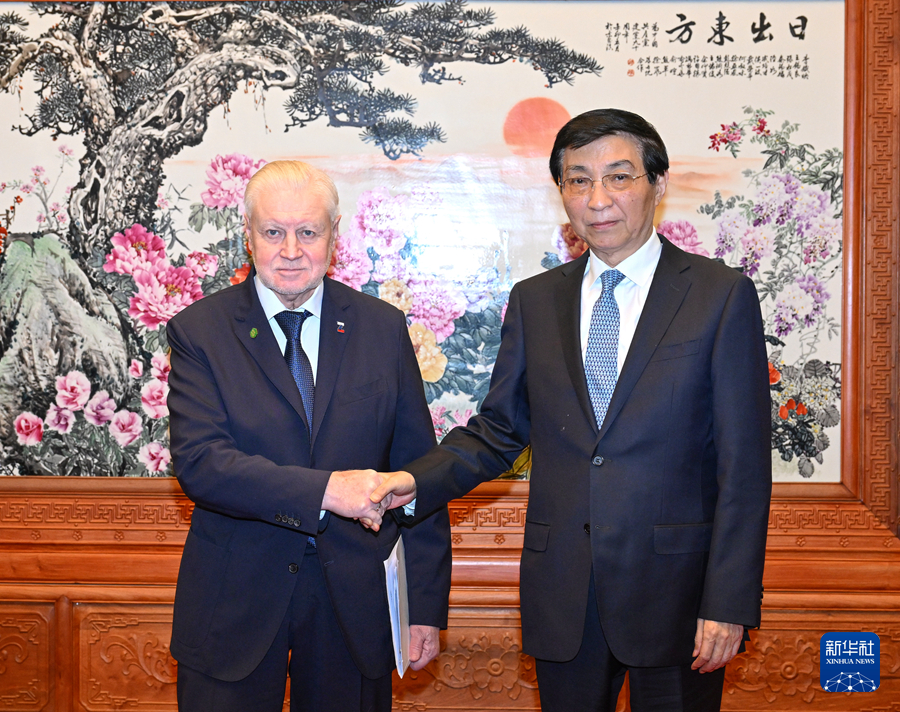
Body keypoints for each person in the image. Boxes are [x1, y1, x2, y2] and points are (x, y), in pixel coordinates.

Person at [371, 109, 772, 712]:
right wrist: (410, 480)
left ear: (657, 183)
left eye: (619, 177)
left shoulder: (719, 295)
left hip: (679, 597)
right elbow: (499, 430)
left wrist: (729, 602)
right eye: (578, 180)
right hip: (564, 593)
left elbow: (744, 468)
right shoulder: (537, 300)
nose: (598, 199)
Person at [166, 160, 451, 712]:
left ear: (334, 235)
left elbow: (419, 473)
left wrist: (423, 607)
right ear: (248, 236)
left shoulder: (382, 329)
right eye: (274, 232)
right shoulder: (200, 331)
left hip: (355, 608)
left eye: (308, 232)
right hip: (234, 603)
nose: (291, 250)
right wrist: (327, 491)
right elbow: (202, 463)